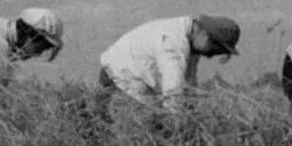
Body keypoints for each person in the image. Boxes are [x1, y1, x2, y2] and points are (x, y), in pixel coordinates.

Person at [97, 14, 241, 113]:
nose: (212, 55)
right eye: (215, 48)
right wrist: (179, 122)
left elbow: (189, 83)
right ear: (204, 34)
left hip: (135, 83)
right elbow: (173, 90)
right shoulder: (174, 41)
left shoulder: (190, 41)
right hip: (119, 80)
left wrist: (193, 107)